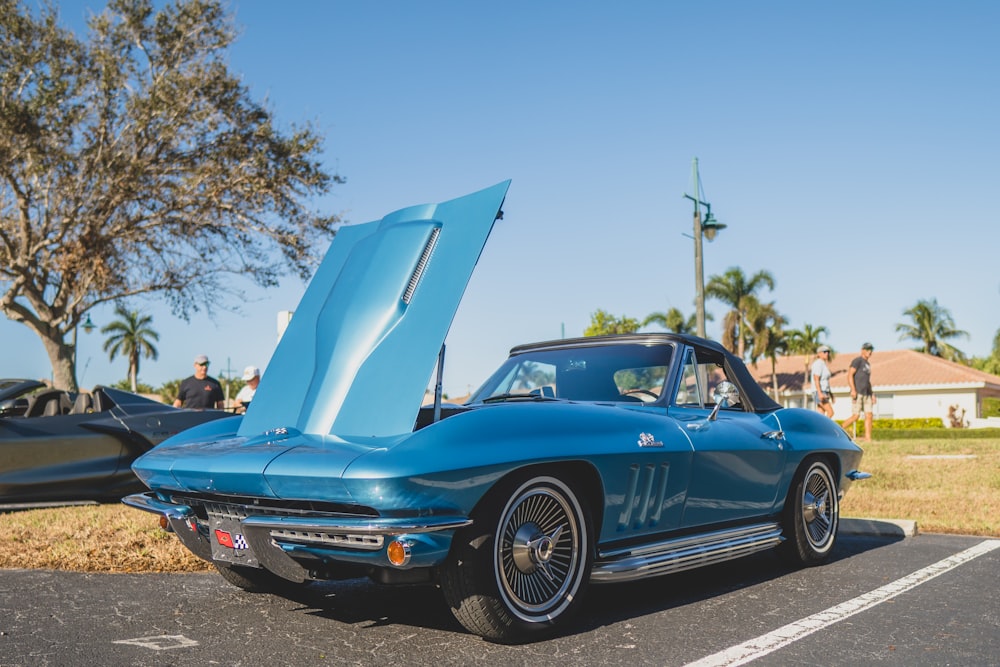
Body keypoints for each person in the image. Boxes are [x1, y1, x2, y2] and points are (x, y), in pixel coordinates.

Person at [842, 342, 876, 442]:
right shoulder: (857, 361)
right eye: (867, 350)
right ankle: (839, 431)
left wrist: (872, 393)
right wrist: (853, 389)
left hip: (867, 393)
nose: (870, 352)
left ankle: (868, 438)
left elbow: (867, 381)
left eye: (871, 350)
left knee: (869, 415)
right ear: (862, 350)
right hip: (858, 392)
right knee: (855, 416)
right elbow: (849, 375)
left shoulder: (868, 364)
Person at [811, 344, 834, 418]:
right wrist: (820, 393)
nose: (827, 354)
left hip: (824, 391)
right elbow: (816, 378)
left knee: (821, 415)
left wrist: (831, 394)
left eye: (828, 352)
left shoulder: (823, 364)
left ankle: (817, 429)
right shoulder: (818, 363)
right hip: (819, 392)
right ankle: (825, 429)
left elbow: (826, 381)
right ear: (819, 354)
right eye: (824, 352)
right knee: (830, 412)